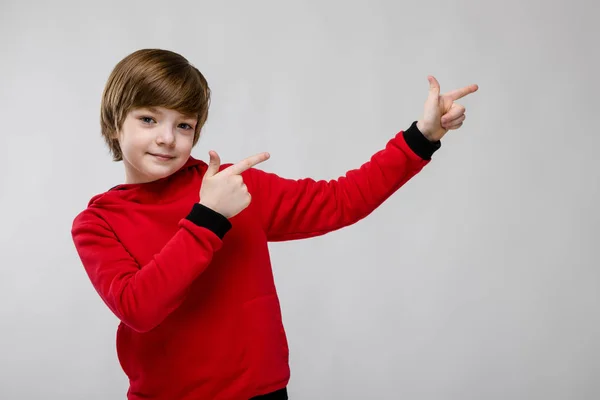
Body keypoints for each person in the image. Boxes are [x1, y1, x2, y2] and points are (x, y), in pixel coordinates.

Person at [71, 48, 478, 400]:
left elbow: (341, 201)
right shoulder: (97, 222)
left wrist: (422, 136)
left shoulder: (233, 186)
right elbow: (139, 308)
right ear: (114, 122)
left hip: (262, 393)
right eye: (148, 119)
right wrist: (208, 218)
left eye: (183, 125)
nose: (166, 138)